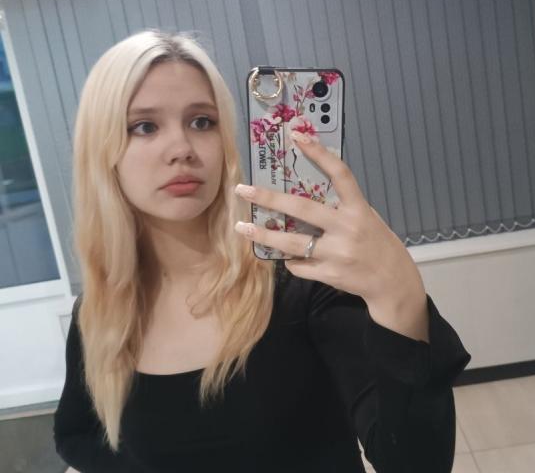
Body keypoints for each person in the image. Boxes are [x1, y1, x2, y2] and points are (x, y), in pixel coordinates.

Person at [53, 29, 471, 473]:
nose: (182, 149)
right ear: (103, 153)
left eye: (202, 122)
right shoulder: (101, 310)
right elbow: (76, 435)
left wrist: (399, 298)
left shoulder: (304, 285)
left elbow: (415, 463)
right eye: (144, 126)